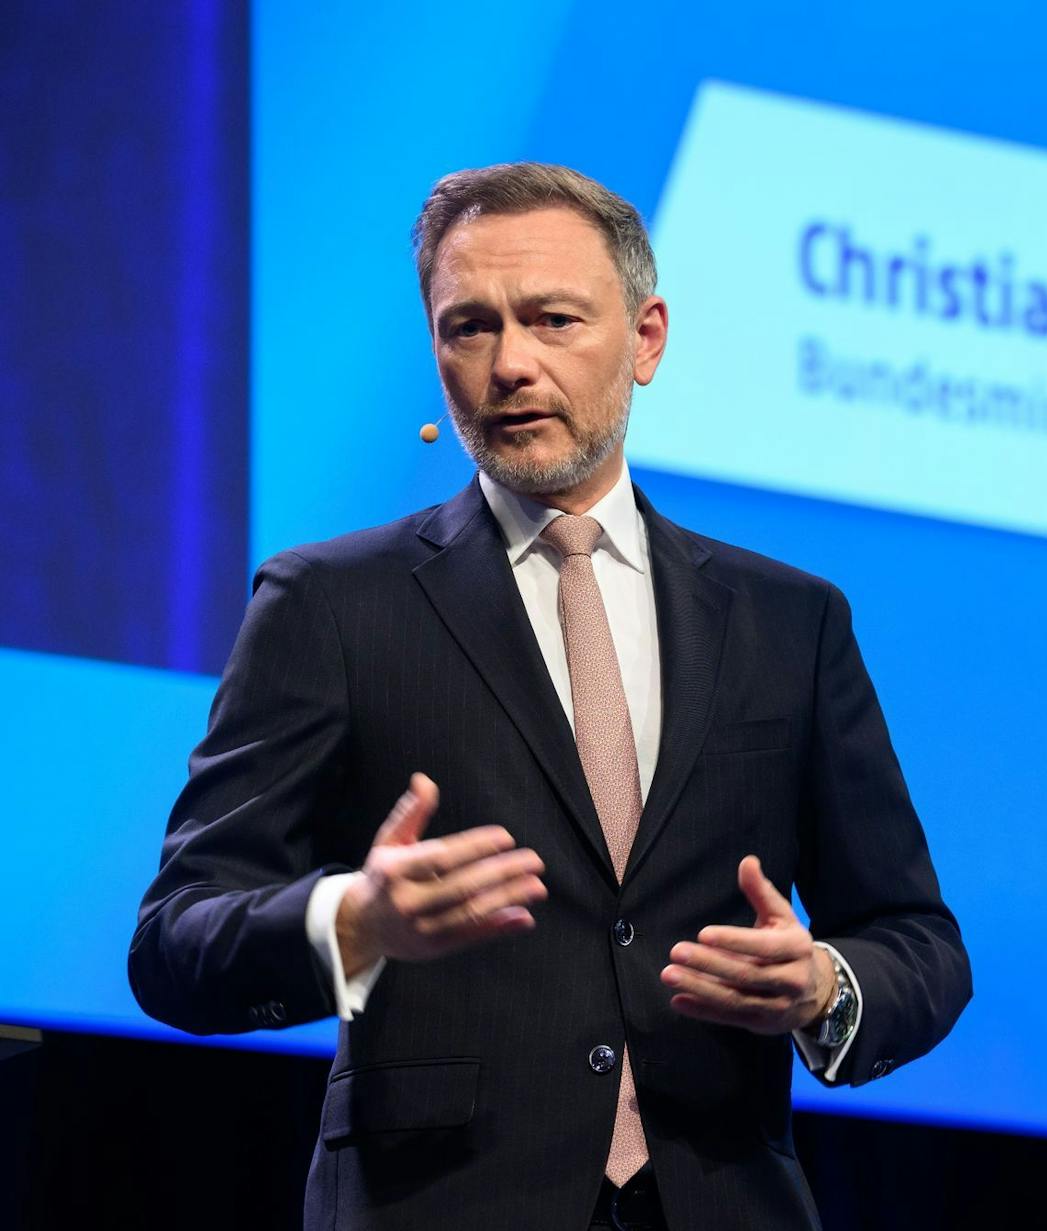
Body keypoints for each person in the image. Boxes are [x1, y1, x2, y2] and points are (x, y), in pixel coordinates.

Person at [128, 162, 971, 1231]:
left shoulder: (787, 622)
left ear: (646, 338)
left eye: (552, 319)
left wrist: (821, 985)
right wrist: (354, 918)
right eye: (468, 327)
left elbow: (916, 940)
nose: (510, 365)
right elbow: (176, 939)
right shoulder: (330, 604)